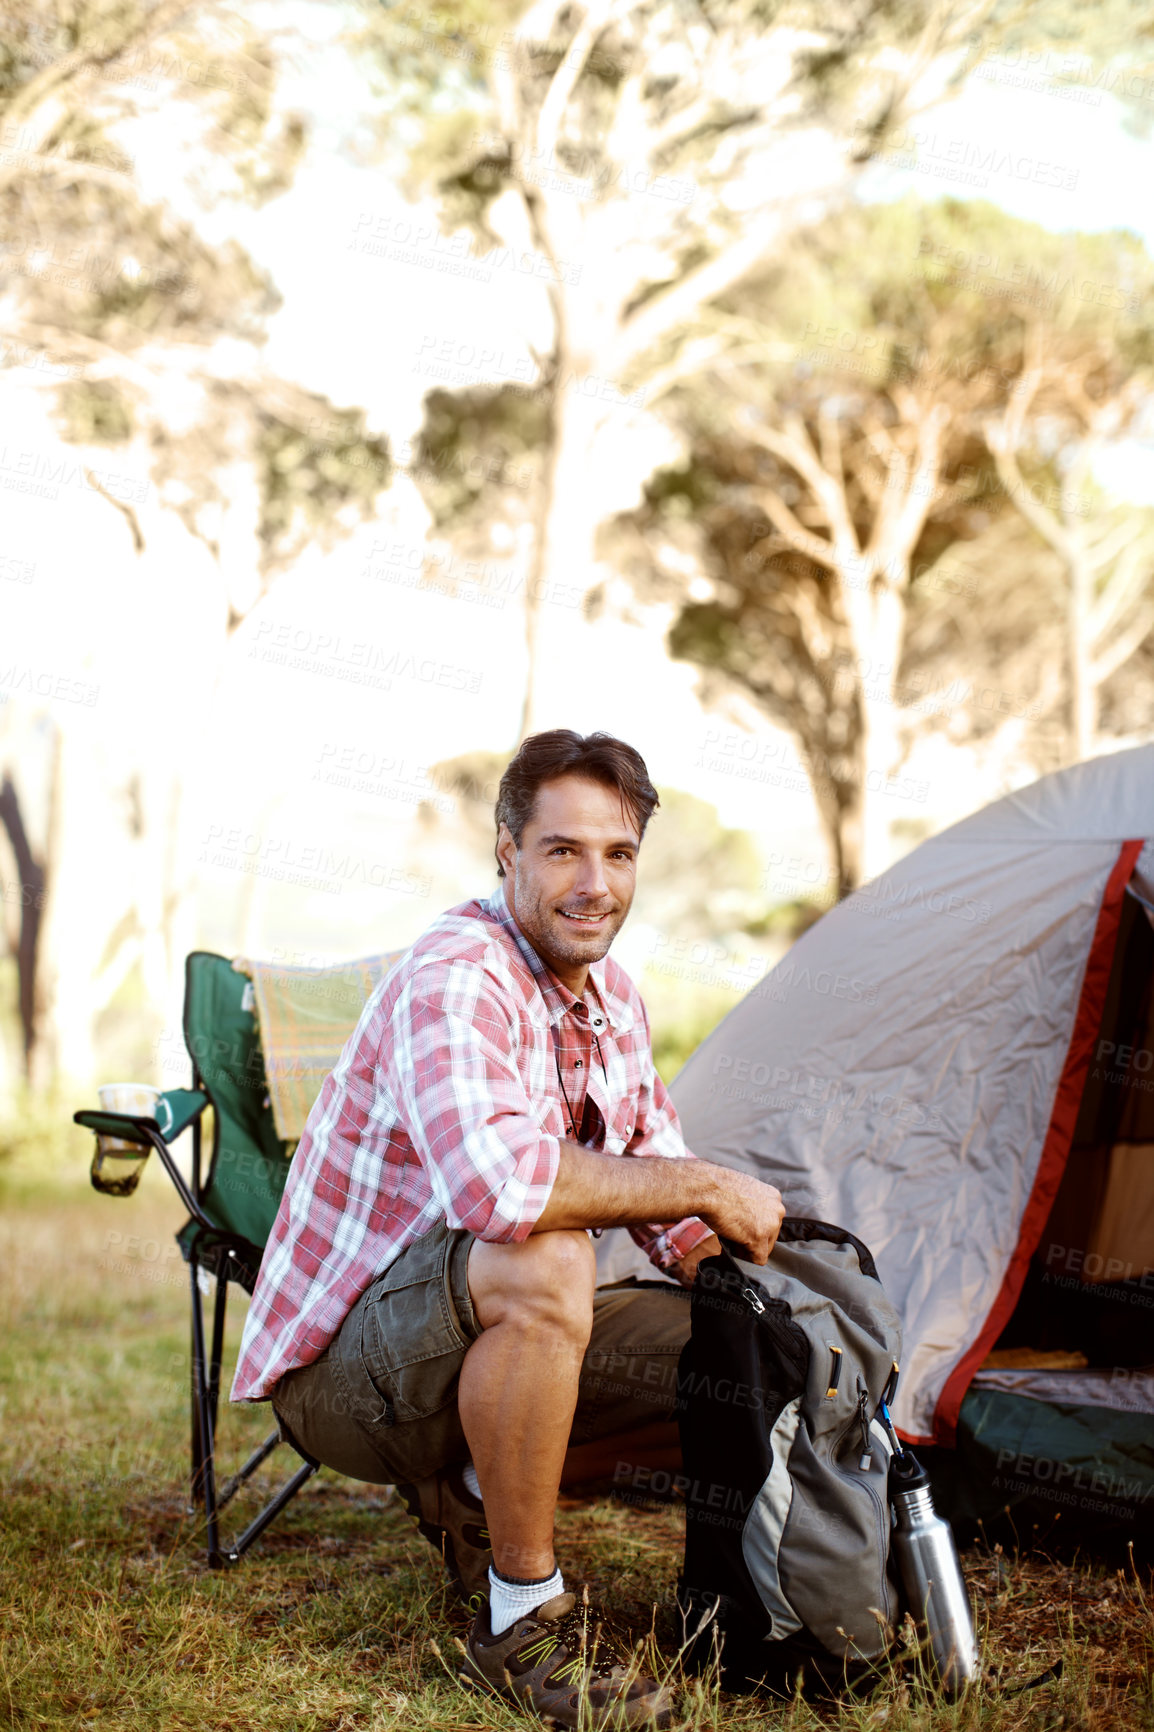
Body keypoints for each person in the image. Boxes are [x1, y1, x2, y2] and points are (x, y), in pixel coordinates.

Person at [232, 729, 784, 1728]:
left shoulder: (612, 996)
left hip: (452, 1342)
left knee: (747, 1324)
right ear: (505, 851)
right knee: (545, 1257)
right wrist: (705, 1180)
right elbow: (503, 1193)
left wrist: (729, 1266)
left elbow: (661, 1191)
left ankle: (749, 1594)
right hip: (342, 1383)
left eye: (617, 854)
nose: (593, 882)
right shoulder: (458, 971)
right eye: (562, 850)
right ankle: (520, 1623)